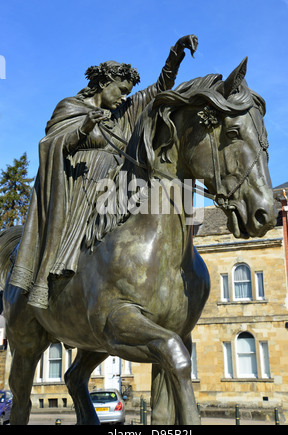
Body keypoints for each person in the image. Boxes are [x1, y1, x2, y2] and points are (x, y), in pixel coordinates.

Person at [9, 35, 198, 309]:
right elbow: (49, 144)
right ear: (103, 83)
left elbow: (159, 88)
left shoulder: (123, 112)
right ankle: (48, 278)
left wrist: (176, 53)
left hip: (118, 183)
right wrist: (83, 128)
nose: (124, 96)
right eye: (120, 89)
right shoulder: (70, 107)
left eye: (126, 92)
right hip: (81, 185)